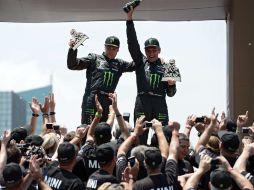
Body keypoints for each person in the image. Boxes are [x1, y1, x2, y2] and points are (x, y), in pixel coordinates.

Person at [125, 6, 177, 143]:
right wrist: (129, 20)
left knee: (164, 135)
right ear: (145, 51)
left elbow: (171, 94)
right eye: (148, 51)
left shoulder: (168, 66)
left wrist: (172, 85)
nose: (151, 53)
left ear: (159, 50)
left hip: (160, 102)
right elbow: (132, 44)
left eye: (154, 50)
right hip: (142, 102)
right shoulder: (140, 61)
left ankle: (162, 161)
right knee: (140, 135)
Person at [67, 35, 135, 124]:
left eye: (113, 48)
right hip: (92, 99)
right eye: (108, 47)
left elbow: (138, 64)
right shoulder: (94, 58)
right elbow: (72, 65)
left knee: (104, 130)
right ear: (104, 47)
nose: (110, 50)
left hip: (107, 101)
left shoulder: (120, 64)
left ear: (118, 50)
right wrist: (73, 49)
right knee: (86, 129)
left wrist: (156, 60)